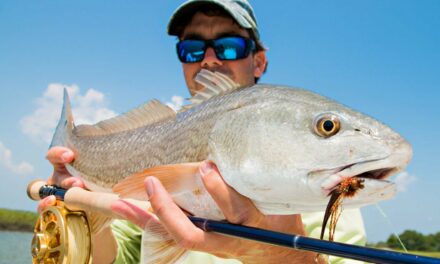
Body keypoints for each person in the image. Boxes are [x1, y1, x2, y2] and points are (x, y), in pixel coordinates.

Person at [39, 1, 366, 263]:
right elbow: (113, 257)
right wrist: (80, 209)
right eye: (193, 49)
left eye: (228, 46)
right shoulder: (163, 133)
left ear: (259, 62)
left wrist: (285, 258)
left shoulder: (321, 183)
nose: (209, 60)